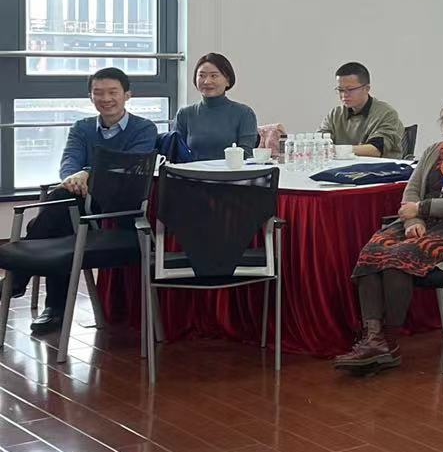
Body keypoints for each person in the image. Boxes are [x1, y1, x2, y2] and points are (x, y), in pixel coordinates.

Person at [336, 87, 443, 373]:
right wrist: (412, 220)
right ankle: (374, 340)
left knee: (399, 258)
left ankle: (387, 341)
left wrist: (421, 209)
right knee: (372, 251)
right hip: (419, 222)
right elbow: (412, 190)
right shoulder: (436, 150)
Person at [13, 67, 158, 336]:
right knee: (63, 218)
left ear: (127, 95)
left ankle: (26, 286)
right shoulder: (82, 128)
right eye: (98, 93)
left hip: (118, 208)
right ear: (90, 96)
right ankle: (49, 306)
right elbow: (69, 163)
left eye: (113, 92)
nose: (106, 98)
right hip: (79, 203)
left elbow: (128, 169)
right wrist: (74, 177)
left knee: (47, 220)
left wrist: (87, 173)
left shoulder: (144, 128)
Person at [172, 52, 259, 162]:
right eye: (201, 76)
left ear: (227, 80)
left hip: (232, 172)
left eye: (214, 76)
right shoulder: (184, 114)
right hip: (192, 171)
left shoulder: (244, 113)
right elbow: (175, 154)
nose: (207, 81)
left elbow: (246, 154)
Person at [315, 62, 405, 158]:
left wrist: (337, 150)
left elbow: (376, 150)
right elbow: (318, 143)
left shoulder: (386, 113)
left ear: (366, 89)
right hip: (343, 166)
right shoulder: (335, 114)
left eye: (350, 89)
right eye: (340, 90)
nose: (344, 95)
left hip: (379, 166)